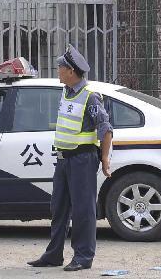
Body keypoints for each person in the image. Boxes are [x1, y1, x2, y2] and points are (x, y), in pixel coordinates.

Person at [28, 44, 113, 272]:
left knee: (83, 209)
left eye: (60, 68)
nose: (58, 71)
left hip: (83, 159)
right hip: (64, 159)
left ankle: (83, 257)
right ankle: (54, 254)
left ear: (71, 72)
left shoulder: (90, 97)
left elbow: (105, 129)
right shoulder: (66, 92)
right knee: (59, 207)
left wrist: (105, 159)